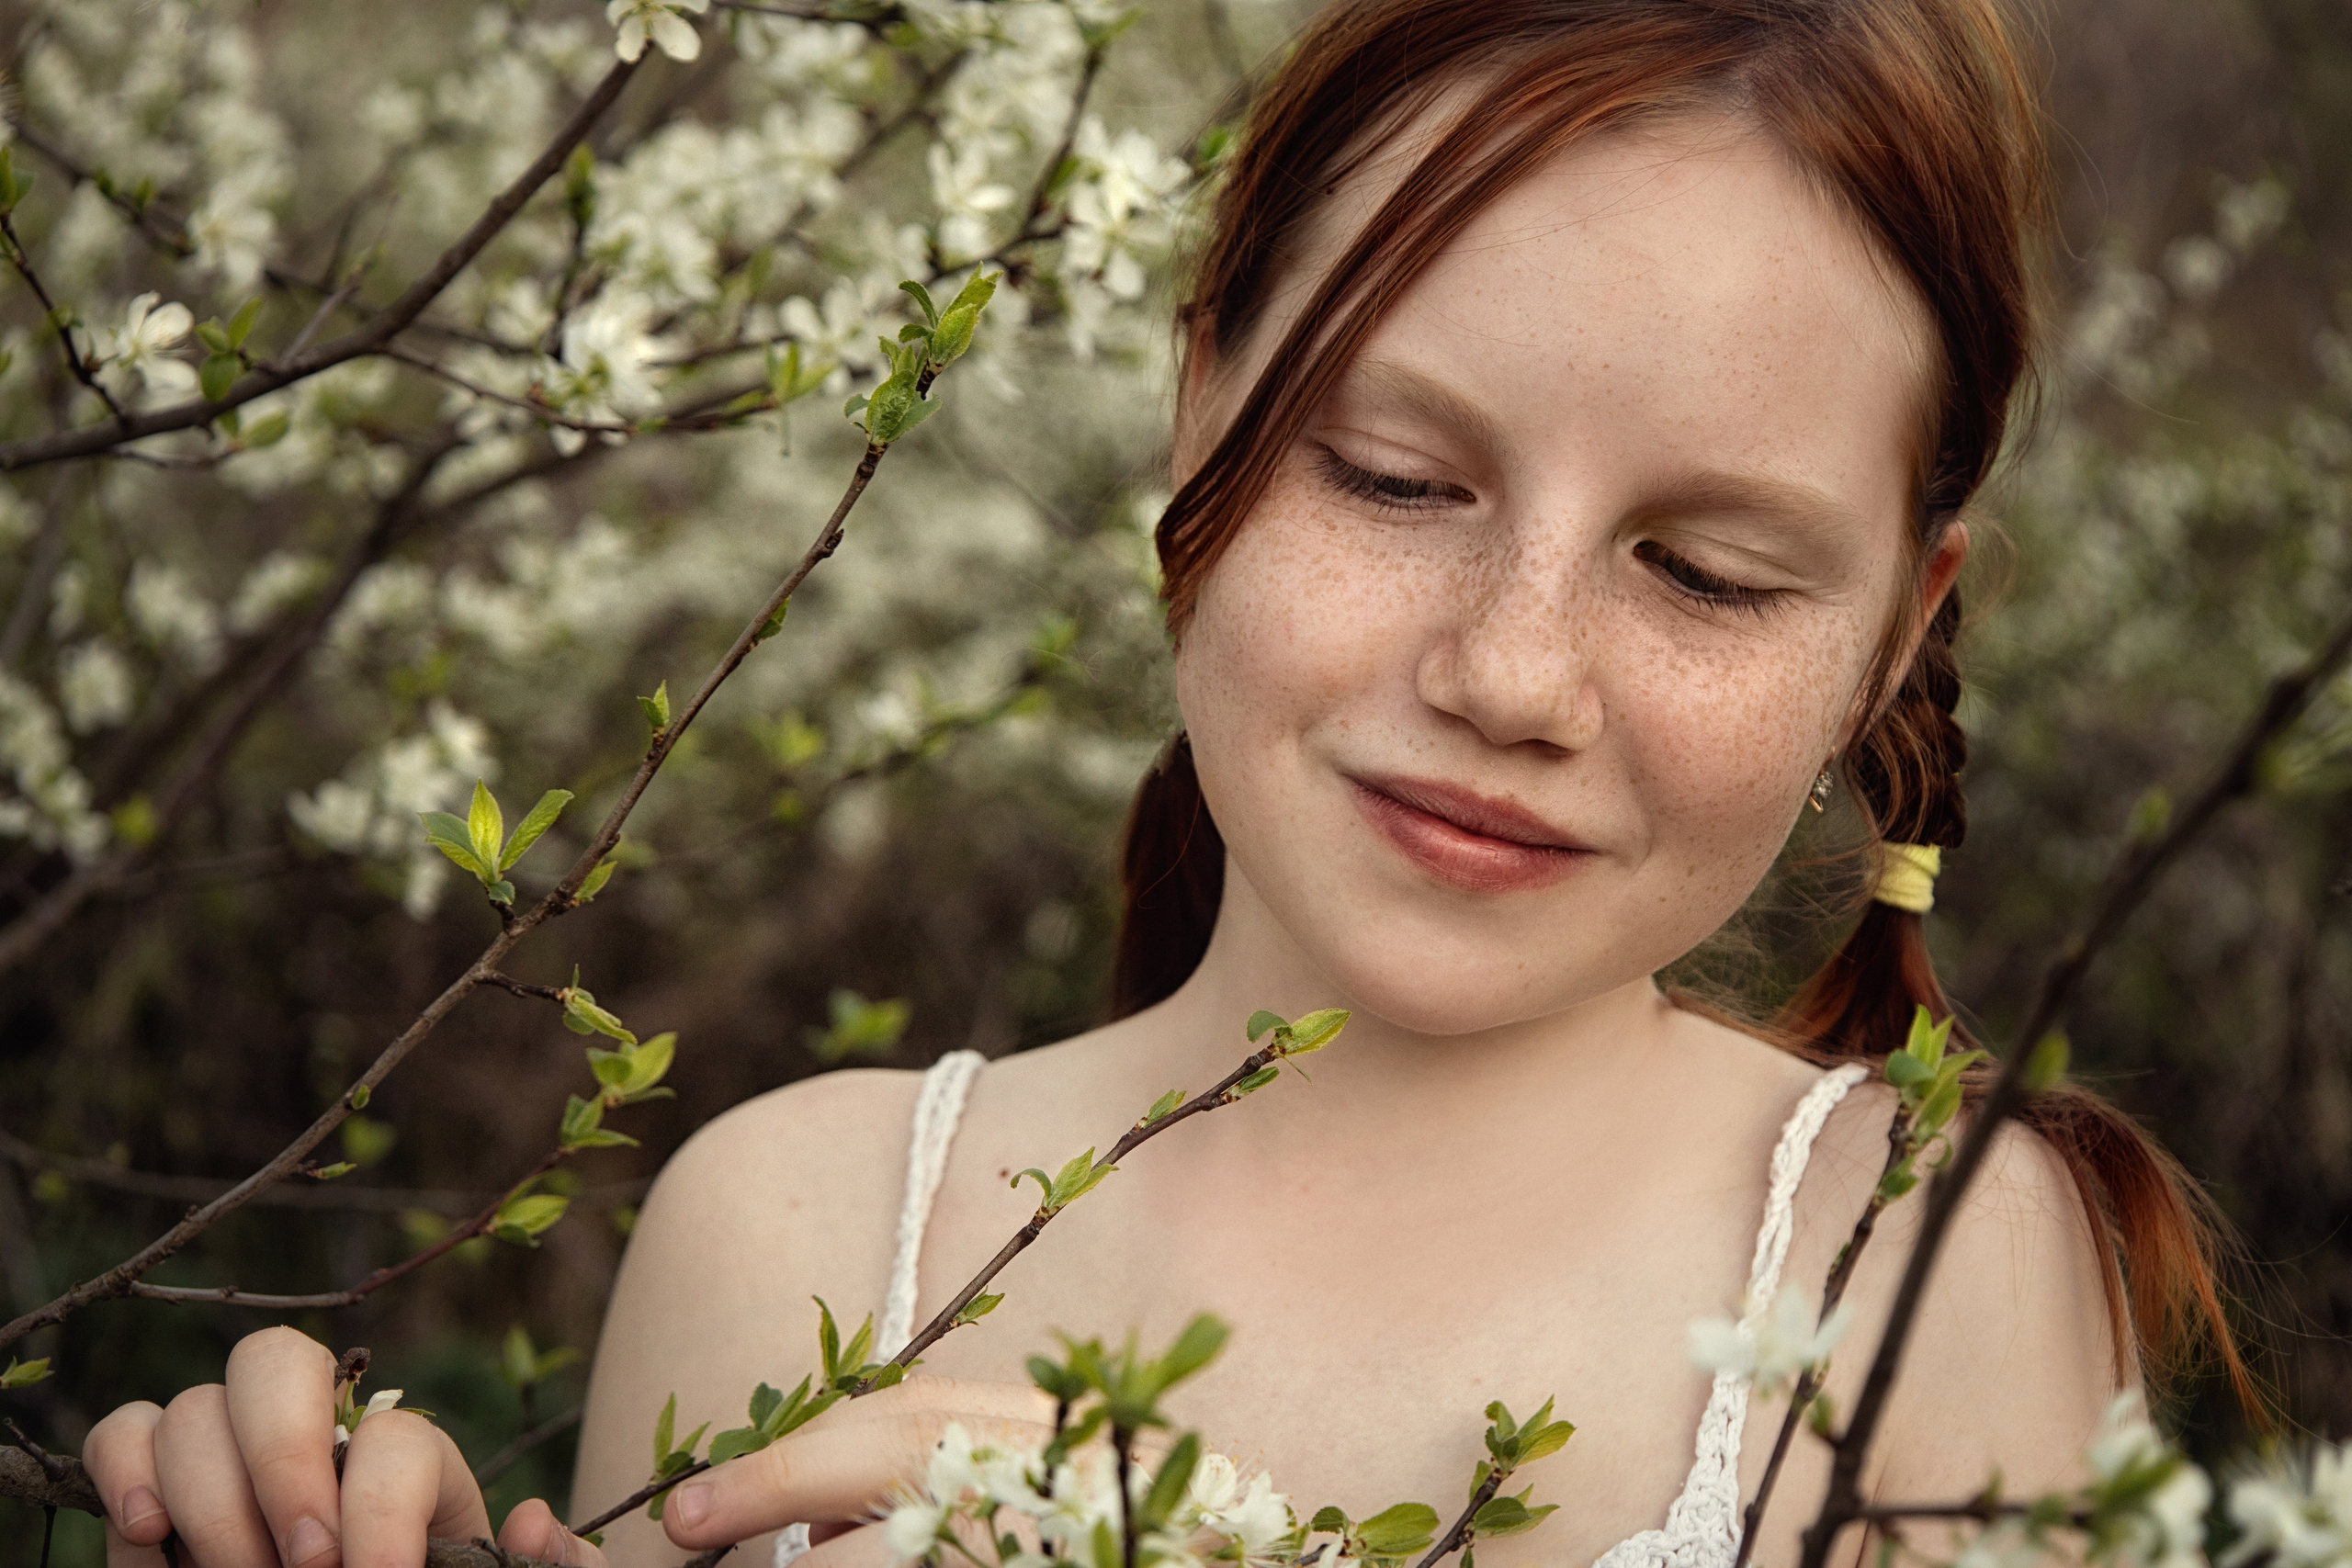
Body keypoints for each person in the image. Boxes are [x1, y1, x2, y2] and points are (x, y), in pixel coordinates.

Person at [78, 1, 2257, 1564]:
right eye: (1394, 477)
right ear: (1200, 401)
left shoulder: (1938, 1262)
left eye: (1699, 568)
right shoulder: (798, 1229)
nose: (1508, 672)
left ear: (1893, 624)